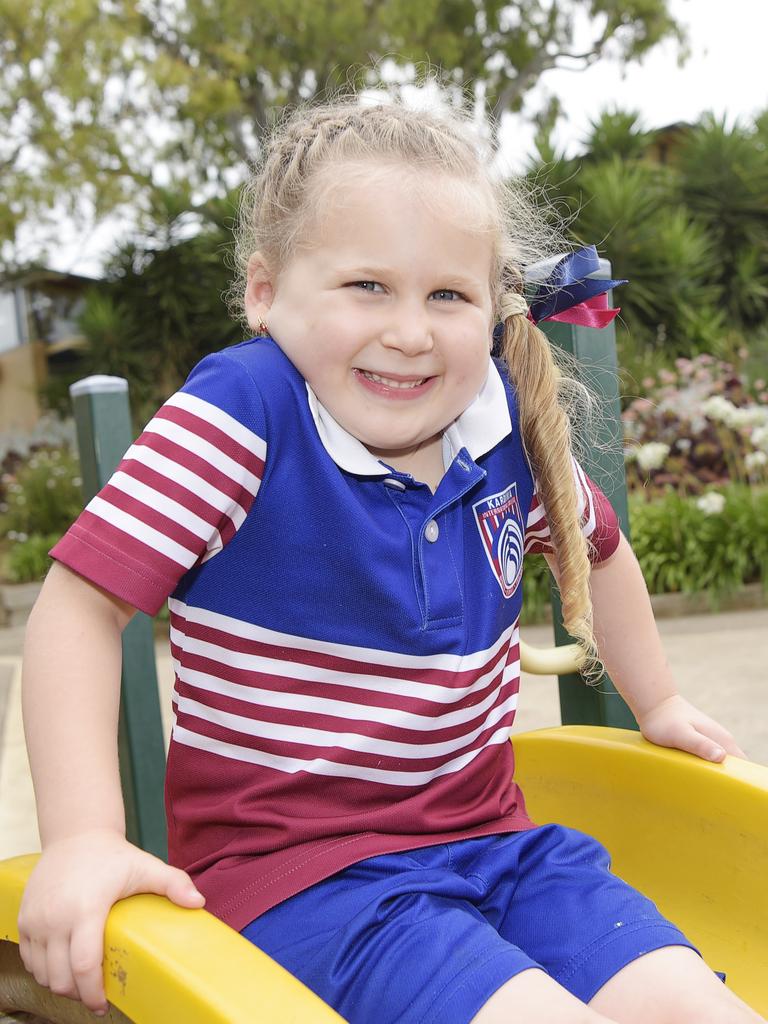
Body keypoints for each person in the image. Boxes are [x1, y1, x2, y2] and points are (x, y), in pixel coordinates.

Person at [18, 95, 765, 1024]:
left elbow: (597, 550)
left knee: (701, 1007)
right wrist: (85, 837)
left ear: (490, 309)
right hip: (308, 876)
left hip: (500, 848)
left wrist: (659, 701)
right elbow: (80, 606)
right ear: (264, 293)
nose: (410, 331)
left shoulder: (502, 423)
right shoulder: (244, 413)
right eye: (367, 286)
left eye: (447, 295)